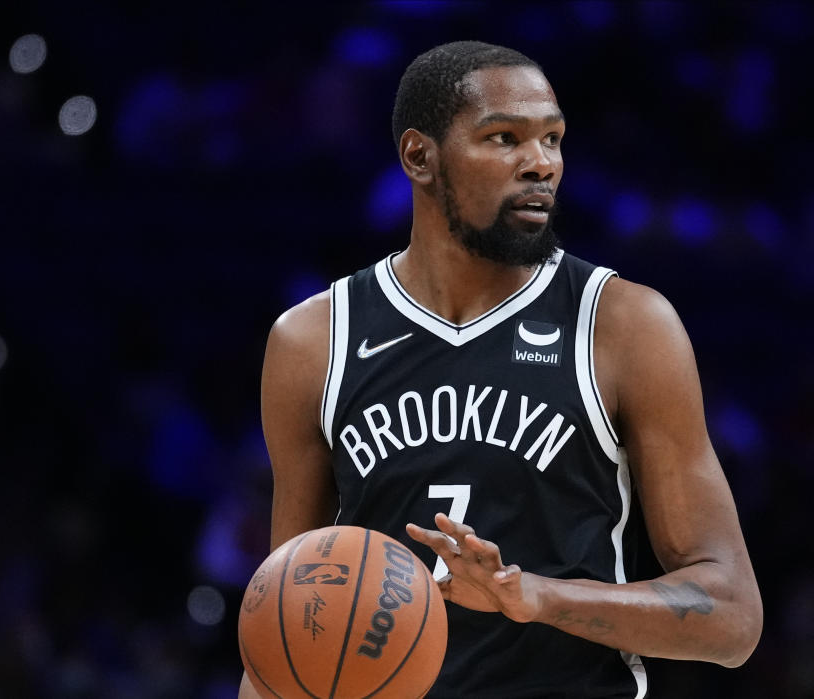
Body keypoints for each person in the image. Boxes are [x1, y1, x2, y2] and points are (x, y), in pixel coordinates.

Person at [242, 41, 762, 698]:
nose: (540, 163)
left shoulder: (623, 326)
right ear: (419, 156)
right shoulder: (314, 340)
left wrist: (536, 596)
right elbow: (288, 620)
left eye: (552, 138)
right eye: (504, 138)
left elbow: (733, 615)